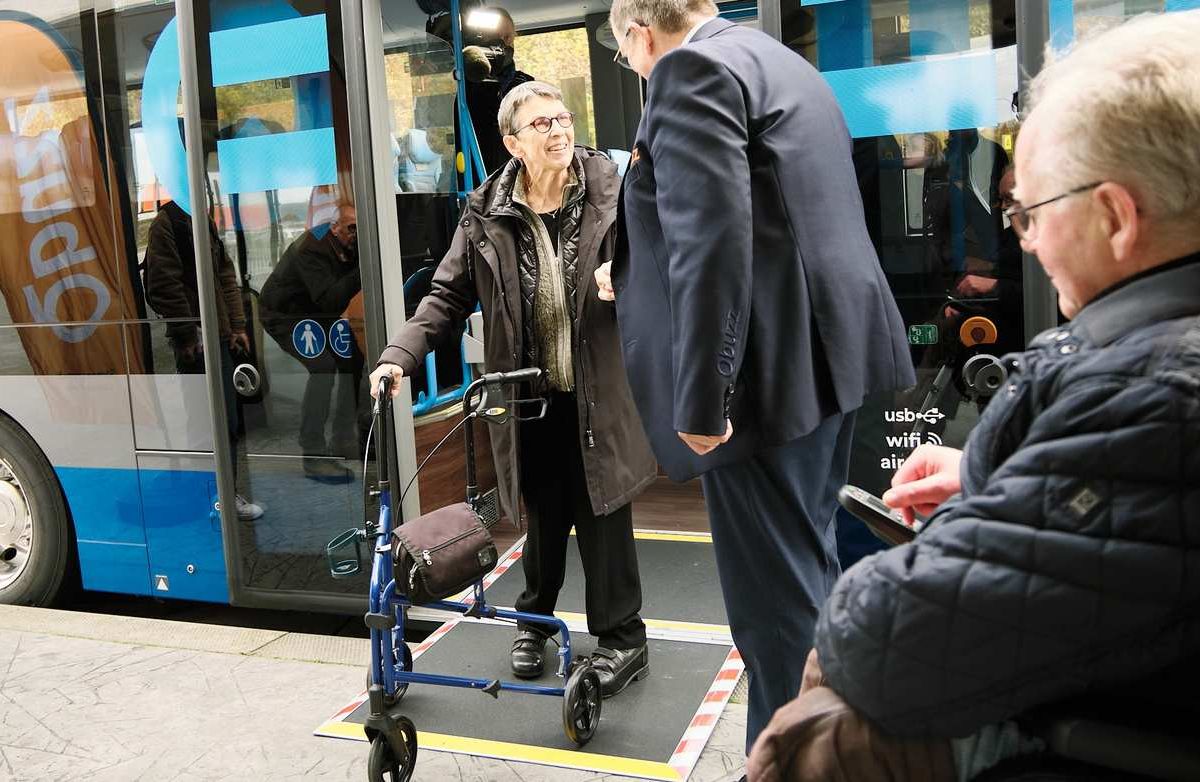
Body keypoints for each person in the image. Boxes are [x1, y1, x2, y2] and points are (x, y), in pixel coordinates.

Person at [747, 10, 1200, 781]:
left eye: (1032, 213)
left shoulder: (1151, 400)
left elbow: (880, 637)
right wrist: (999, 479)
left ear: (1117, 217)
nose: (1026, 238)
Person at [599, 0, 915, 754]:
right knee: (806, 571)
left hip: (763, 384)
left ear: (640, 34)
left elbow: (712, 237)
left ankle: (806, 763)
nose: (637, 68)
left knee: (774, 612)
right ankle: (818, 751)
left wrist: (704, 393)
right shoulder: (783, 62)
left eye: (627, 56)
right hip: (828, 358)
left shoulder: (689, 70)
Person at [371, 82, 658, 697]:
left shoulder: (614, 187)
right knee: (542, 511)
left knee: (603, 512)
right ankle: (535, 618)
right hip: (528, 395)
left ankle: (623, 640)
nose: (559, 131)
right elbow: (446, 296)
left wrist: (629, 271)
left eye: (563, 119)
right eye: (542, 124)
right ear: (512, 143)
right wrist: (401, 356)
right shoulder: (485, 210)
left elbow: (664, 255)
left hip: (600, 391)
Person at [144, 199, 263, 521]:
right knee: (204, 424)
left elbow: (224, 273)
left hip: (218, 335)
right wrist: (185, 333)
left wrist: (236, 325)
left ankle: (222, 492)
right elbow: (162, 282)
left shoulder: (199, 217)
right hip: (196, 342)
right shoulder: (169, 222)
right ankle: (212, 497)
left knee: (226, 423)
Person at [260, 203, 363, 483]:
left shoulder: (345, 244)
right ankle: (313, 454)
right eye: (352, 228)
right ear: (334, 228)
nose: (357, 234)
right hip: (285, 314)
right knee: (323, 367)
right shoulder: (311, 248)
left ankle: (343, 439)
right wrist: (363, 267)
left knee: (353, 360)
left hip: (316, 312)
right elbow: (329, 298)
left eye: (360, 227)